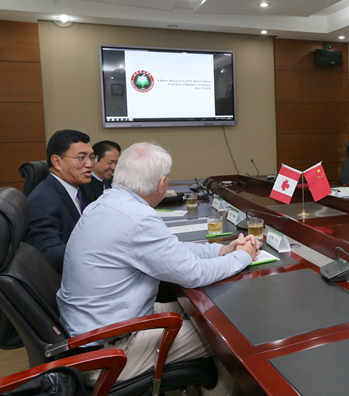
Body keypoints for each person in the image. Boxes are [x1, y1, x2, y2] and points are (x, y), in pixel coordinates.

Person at [57, 142, 259, 395]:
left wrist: (222, 251)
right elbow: (194, 274)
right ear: (162, 183)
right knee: (229, 335)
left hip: (98, 329)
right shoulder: (139, 219)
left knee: (215, 314)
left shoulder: (107, 203)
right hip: (109, 351)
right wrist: (242, 256)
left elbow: (171, 251)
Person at [25, 129, 96, 274]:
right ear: (57, 162)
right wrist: (97, 244)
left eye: (92, 157)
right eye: (81, 158)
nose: (89, 164)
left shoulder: (80, 188)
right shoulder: (43, 200)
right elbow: (46, 255)